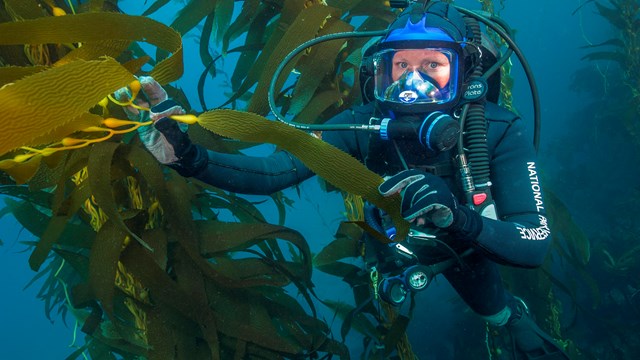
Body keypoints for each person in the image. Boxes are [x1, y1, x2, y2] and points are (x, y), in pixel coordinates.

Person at [115, 1, 569, 358]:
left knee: (493, 309)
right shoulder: (362, 123)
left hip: (469, 246)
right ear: (382, 72)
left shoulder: (496, 129)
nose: (414, 80)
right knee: (387, 289)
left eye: (433, 66)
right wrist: (190, 157)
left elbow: (534, 242)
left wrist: (463, 222)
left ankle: (512, 321)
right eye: (401, 66)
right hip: (392, 240)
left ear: (463, 72)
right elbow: (276, 171)